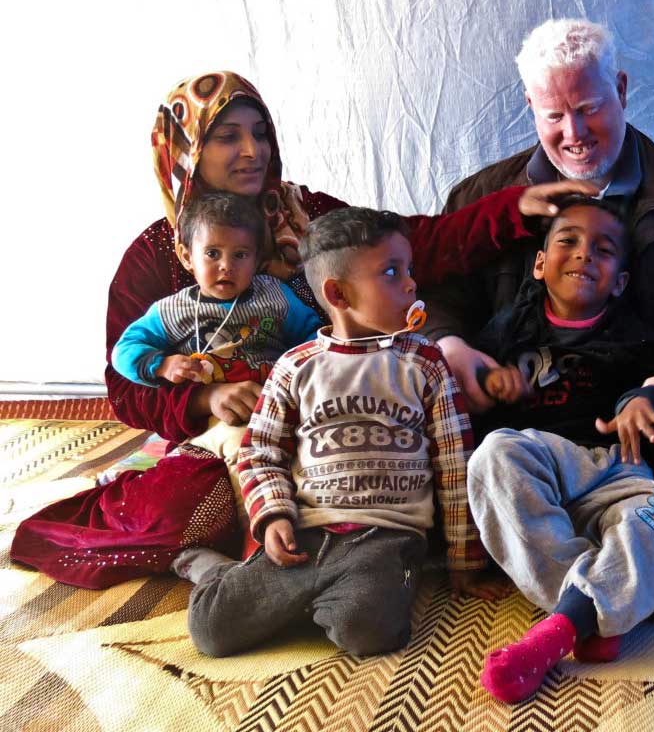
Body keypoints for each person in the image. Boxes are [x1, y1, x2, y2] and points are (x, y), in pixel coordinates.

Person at [12, 70, 590, 589]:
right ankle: (270, 573)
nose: (251, 150)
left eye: (259, 133)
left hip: (334, 402)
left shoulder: (302, 213)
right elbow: (125, 389)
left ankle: (349, 556)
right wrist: (205, 396)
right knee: (194, 506)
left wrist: (517, 209)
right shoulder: (157, 255)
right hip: (229, 432)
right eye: (227, 136)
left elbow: (413, 244)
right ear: (185, 151)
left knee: (439, 434)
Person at [421, 19, 654, 551]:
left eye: (589, 107)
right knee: (414, 457)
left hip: (640, 425)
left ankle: (531, 525)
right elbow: (438, 298)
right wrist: (450, 346)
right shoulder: (482, 196)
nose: (573, 133)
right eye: (554, 115)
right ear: (530, 105)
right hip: (516, 427)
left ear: (620, 89)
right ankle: (628, 525)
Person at [185, 207, 505, 657]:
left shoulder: (425, 362)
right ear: (338, 293)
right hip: (306, 531)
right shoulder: (295, 367)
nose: (411, 283)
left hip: (385, 538)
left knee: (370, 632)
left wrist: (464, 560)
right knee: (211, 631)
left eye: (408, 269)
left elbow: (456, 467)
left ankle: (318, 600)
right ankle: (220, 574)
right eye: (392, 272)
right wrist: (274, 515)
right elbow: (260, 453)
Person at [466, 199, 654, 703]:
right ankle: (603, 605)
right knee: (493, 455)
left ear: (621, 281)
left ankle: (564, 626)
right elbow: (472, 380)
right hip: (541, 470)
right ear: (540, 263)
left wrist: (640, 399)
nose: (584, 254)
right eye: (568, 240)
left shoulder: (635, 332)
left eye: (603, 250)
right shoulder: (511, 327)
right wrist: (490, 379)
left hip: (613, 469)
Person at [111, 191, 323, 470]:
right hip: (215, 422)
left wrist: (304, 375)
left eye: (240, 255)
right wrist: (162, 365)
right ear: (187, 257)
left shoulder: (276, 296)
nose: (226, 266)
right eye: (212, 253)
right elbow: (124, 350)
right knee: (249, 455)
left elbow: (313, 335)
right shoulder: (172, 311)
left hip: (278, 408)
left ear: (257, 260)